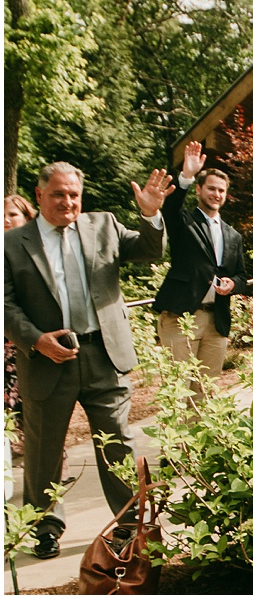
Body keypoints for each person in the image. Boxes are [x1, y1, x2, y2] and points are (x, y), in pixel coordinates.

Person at [4, 162, 171, 559]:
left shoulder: (104, 225)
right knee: (44, 448)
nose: (68, 202)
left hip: (104, 355)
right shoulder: (12, 243)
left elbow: (150, 252)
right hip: (47, 359)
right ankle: (45, 528)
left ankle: (130, 525)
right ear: (40, 194)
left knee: (116, 444)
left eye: (74, 195)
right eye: (59, 194)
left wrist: (150, 213)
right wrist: (35, 339)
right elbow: (4, 302)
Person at [153, 142, 247, 405]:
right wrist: (186, 175)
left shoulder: (233, 235)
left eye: (221, 190)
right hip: (182, 316)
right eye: (211, 189)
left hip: (215, 321)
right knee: (177, 391)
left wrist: (233, 284)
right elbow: (169, 208)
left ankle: (199, 448)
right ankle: (173, 447)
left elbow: (241, 276)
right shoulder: (184, 221)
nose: (216, 194)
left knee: (205, 394)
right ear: (199, 190)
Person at [4, 195, 36, 420]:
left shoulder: (37, 252)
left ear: (27, 218)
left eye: (13, 215)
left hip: (29, 340)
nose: (5, 220)